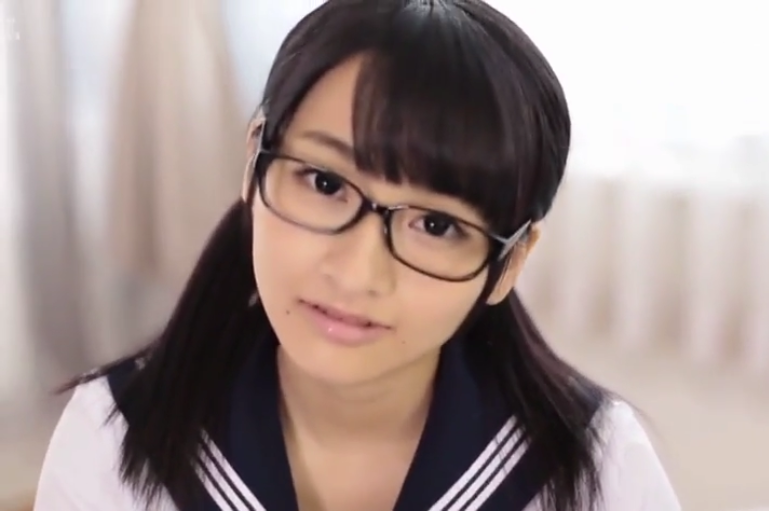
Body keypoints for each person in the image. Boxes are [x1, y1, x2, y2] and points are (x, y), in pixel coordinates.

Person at [33, 0, 681, 509]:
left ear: (509, 262)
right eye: (325, 184)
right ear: (255, 161)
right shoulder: (114, 435)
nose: (356, 272)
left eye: (435, 224)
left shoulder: (597, 468)